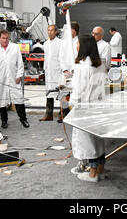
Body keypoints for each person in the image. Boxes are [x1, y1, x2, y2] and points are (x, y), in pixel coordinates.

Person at [70, 35, 107, 182]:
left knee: (88, 141)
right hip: (98, 107)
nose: (77, 45)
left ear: (83, 46)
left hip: (84, 108)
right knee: (97, 139)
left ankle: (92, 173)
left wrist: (72, 103)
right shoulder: (100, 65)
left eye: (78, 43)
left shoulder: (81, 67)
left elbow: (78, 91)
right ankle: (100, 168)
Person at [0, 29, 29, 128]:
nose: (5, 40)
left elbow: (20, 63)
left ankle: (23, 119)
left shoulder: (15, 48)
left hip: (13, 78)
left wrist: (19, 75)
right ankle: (4, 121)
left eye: (7, 38)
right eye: (3, 38)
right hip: (0, 80)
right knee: (2, 100)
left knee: (19, 99)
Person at [40, 25, 64, 121]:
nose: (50, 32)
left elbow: (62, 58)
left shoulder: (61, 43)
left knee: (61, 93)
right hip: (49, 72)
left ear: (56, 32)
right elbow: (46, 58)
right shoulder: (45, 43)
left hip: (58, 72)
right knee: (49, 93)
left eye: (52, 30)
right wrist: (44, 69)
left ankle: (62, 113)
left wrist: (63, 71)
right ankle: (48, 114)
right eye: (48, 30)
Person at [57, 21, 80, 123]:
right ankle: (63, 113)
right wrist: (65, 70)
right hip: (66, 72)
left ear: (75, 30)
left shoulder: (79, 42)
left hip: (76, 72)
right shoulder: (64, 42)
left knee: (75, 93)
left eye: (71, 29)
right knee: (64, 93)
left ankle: (74, 114)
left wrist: (75, 70)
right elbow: (61, 57)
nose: (69, 31)